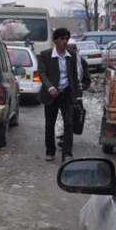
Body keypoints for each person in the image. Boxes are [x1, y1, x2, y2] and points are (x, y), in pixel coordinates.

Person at [37, 28, 81, 162]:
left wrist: (77, 93)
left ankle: (67, 153)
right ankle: (50, 151)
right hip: (51, 95)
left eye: (66, 39)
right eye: (62, 39)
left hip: (67, 93)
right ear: (55, 40)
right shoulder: (45, 55)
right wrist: (49, 86)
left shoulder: (72, 55)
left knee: (68, 123)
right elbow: (42, 73)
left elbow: (74, 76)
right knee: (50, 124)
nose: (64, 42)